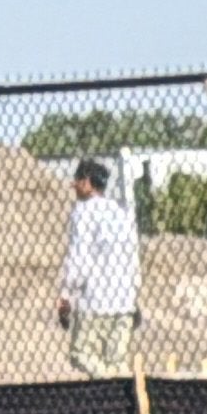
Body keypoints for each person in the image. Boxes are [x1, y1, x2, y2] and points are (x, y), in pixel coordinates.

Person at [59, 157, 140, 379]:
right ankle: (124, 392)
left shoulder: (82, 212)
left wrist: (66, 295)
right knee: (117, 361)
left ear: (86, 182)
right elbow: (132, 256)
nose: (74, 185)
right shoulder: (121, 213)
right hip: (124, 301)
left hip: (94, 302)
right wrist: (134, 296)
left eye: (76, 180)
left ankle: (107, 381)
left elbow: (79, 259)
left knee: (80, 353)